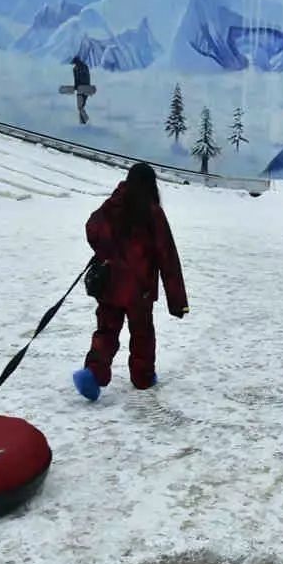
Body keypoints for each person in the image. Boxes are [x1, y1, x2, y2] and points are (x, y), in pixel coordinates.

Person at [80, 163, 188, 393]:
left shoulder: (112, 205)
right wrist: (178, 302)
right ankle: (143, 377)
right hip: (140, 289)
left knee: (106, 331)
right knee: (142, 334)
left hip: (110, 285)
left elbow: (92, 229)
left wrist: (106, 251)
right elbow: (167, 256)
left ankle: (93, 374)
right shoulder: (152, 212)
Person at [72, 56, 92, 124]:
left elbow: (87, 78)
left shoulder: (83, 67)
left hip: (84, 88)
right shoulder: (76, 68)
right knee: (80, 106)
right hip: (82, 88)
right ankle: (83, 121)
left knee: (81, 106)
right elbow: (76, 79)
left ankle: (83, 121)